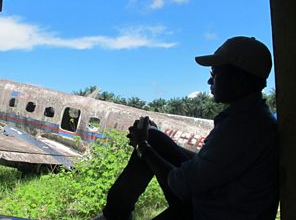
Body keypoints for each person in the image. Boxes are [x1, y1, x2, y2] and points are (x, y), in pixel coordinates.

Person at [92, 36, 279, 220]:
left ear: (239, 79)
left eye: (214, 73)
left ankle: (113, 215)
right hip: (218, 203)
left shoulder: (240, 127)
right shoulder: (253, 118)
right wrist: (155, 140)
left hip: (209, 212)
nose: (209, 81)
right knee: (155, 138)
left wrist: (142, 146)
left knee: (151, 143)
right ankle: (113, 214)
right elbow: (206, 168)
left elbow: (181, 185)